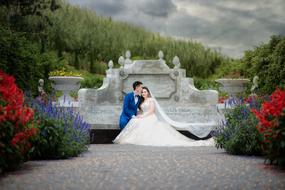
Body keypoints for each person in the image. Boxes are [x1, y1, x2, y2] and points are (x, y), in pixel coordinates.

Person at [114, 86, 214, 146]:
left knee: (141, 124)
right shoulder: (141, 101)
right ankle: (126, 138)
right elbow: (140, 111)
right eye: (142, 92)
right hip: (144, 116)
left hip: (150, 117)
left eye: (145, 92)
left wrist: (143, 116)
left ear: (148, 93)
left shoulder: (151, 100)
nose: (143, 93)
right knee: (135, 121)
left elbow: (152, 111)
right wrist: (139, 115)